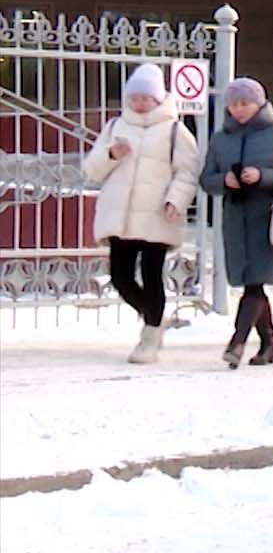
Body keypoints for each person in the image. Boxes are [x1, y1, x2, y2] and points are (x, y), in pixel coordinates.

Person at [82, 63, 202, 364]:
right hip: (120, 217)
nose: (139, 103)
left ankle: (149, 336)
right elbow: (91, 169)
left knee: (151, 275)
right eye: (134, 97)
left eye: (145, 98)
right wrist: (111, 155)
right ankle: (154, 318)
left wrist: (176, 200)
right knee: (120, 276)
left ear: (158, 98)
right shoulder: (115, 126)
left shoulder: (175, 130)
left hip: (157, 214)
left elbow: (187, 172)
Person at [200, 77, 273, 369]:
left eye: (244, 103)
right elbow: (206, 179)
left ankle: (237, 342)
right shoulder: (221, 139)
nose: (238, 109)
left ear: (259, 104)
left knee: (254, 284)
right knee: (252, 282)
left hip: (268, 219)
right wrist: (225, 180)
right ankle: (269, 344)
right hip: (236, 220)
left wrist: (264, 176)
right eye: (233, 104)